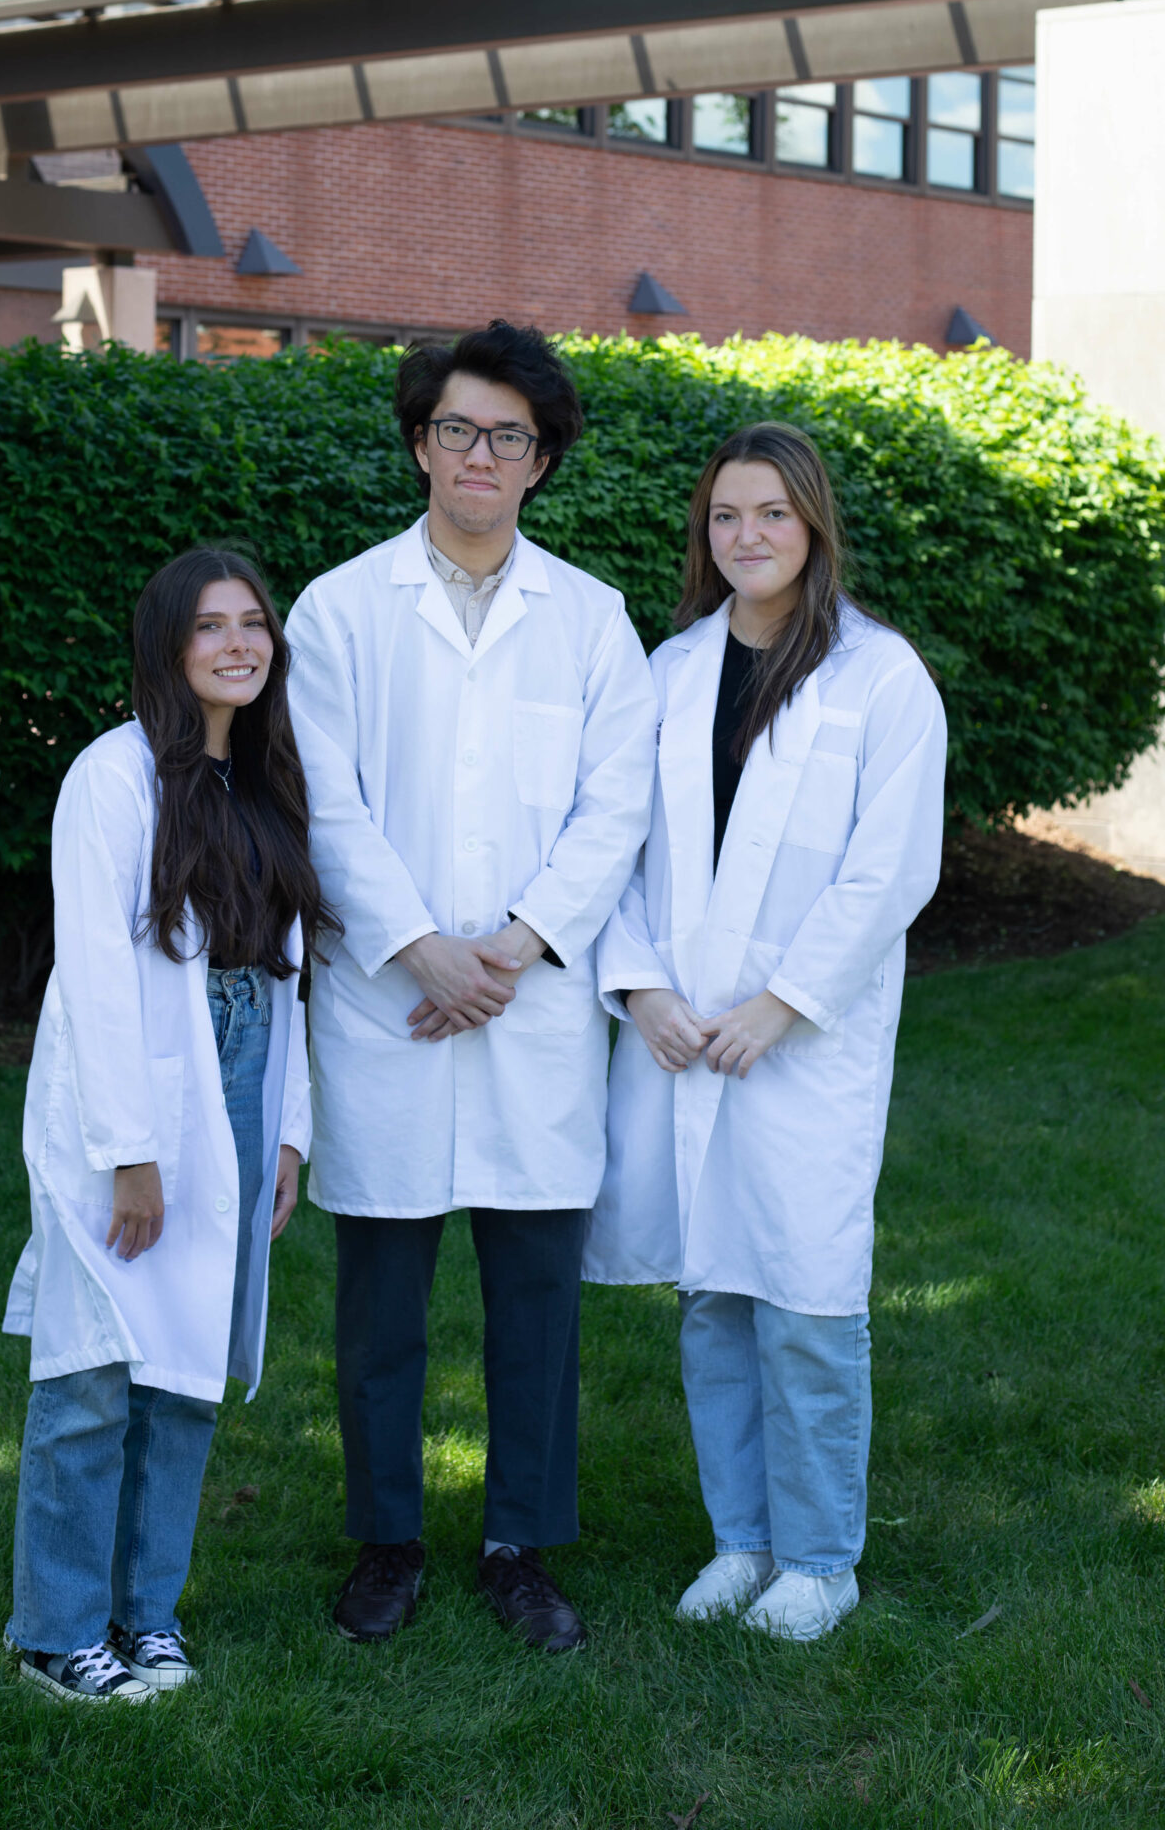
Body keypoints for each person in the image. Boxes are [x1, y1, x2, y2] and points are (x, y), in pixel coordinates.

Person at [284, 321, 656, 1653]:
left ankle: (518, 1544)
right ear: (418, 444)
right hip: (390, 998)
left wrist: (512, 945)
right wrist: (419, 948)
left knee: (534, 1311)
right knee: (379, 1306)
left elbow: (616, 812)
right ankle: (387, 1539)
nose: (478, 455)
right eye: (456, 429)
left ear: (540, 460)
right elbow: (324, 805)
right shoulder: (336, 611)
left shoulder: (591, 623)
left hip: (531, 1003)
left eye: (507, 435)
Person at [586, 424, 946, 1644]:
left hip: (803, 1047)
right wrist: (641, 991)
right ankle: (742, 1540)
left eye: (773, 515)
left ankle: (822, 1558)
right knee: (713, 1300)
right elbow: (615, 848)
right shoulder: (671, 669)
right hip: (686, 1038)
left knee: (804, 1296)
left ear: (814, 527)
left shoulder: (880, 677)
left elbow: (888, 870)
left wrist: (781, 1006)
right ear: (707, 532)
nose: (748, 536)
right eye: (727, 516)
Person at [2, 546, 332, 1702]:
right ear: (167, 646)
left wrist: (288, 1130)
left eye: (254, 623)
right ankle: (55, 1629)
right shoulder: (115, 775)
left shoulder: (270, 776)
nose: (239, 643)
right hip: (128, 1090)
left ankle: (148, 1615)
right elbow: (96, 974)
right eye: (211, 627)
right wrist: (128, 1153)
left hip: (241, 1077)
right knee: (95, 1362)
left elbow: (292, 976)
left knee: (186, 1364)